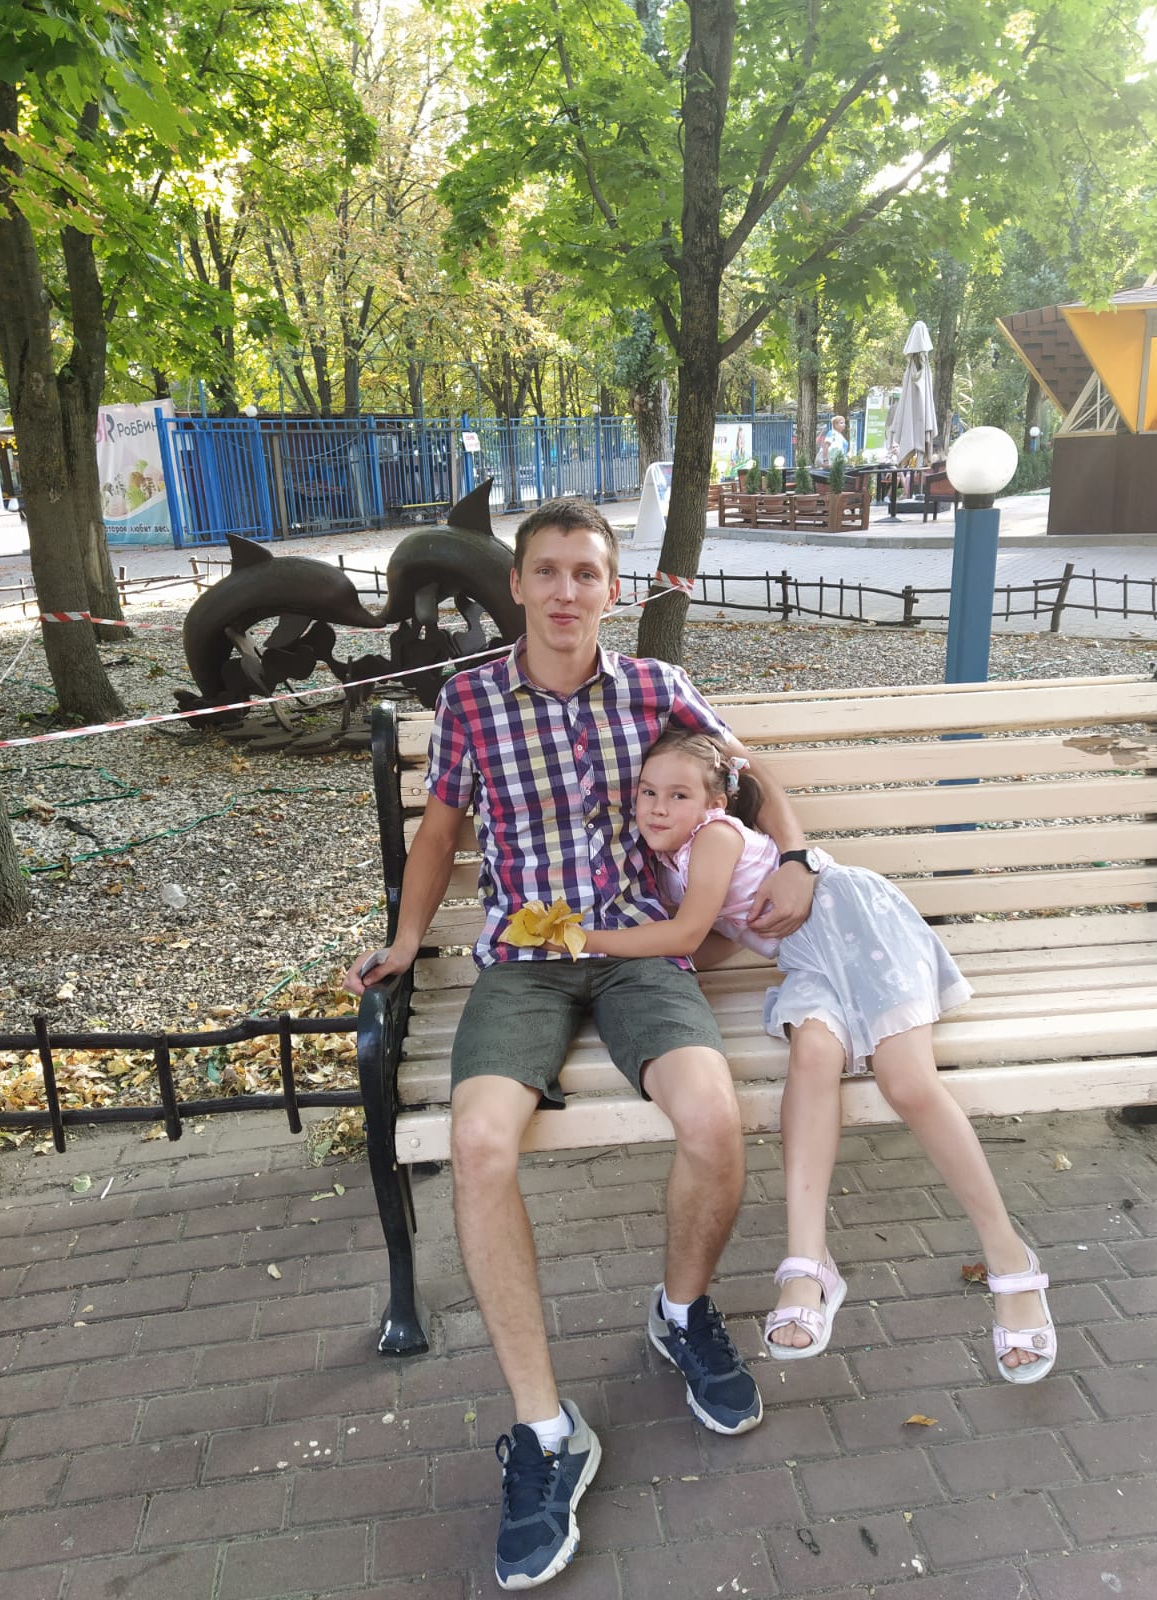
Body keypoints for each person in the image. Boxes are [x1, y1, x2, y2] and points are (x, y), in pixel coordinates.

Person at [345, 499, 814, 1591]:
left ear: (613, 589)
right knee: (478, 1145)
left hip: (642, 948)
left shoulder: (656, 687)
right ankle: (546, 1430)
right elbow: (440, 833)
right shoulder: (471, 699)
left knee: (714, 1117)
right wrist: (407, 940)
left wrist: (796, 857)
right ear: (517, 585)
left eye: (586, 573)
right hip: (525, 957)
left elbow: (751, 777)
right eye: (547, 571)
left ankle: (682, 1313)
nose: (566, 592)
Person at [576, 729, 1057, 1385]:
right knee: (812, 1056)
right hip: (806, 961)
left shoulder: (714, 838)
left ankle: (1010, 1259)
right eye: (647, 793)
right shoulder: (675, 859)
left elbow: (687, 934)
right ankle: (808, 1265)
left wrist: (584, 940)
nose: (658, 807)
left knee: (906, 1083)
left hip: (855, 926)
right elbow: (720, 938)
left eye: (678, 795)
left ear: (714, 802)